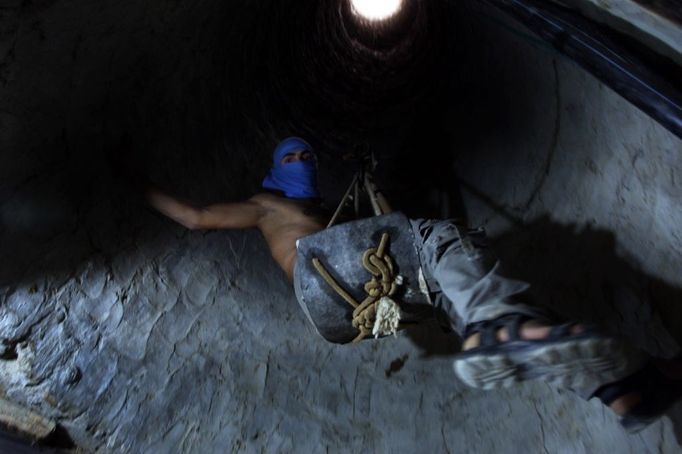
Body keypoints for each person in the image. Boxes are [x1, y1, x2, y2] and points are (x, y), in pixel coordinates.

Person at [147, 136, 681, 432]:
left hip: (353, 300)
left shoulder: (318, 212)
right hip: (329, 282)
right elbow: (196, 217)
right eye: (293, 156)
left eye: (309, 154)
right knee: (436, 238)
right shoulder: (268, 204)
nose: (304, 161)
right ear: (272, 170)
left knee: (458, 297)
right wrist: (130, 180)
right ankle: (501, 324)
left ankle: (624, 386)